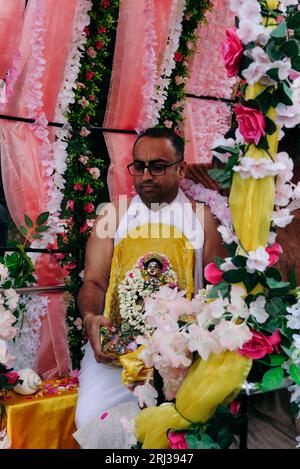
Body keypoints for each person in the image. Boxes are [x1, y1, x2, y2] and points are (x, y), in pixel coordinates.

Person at [75, 127, 225, 429]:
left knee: (177, 431)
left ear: (180, 168)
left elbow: (217, 290)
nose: (145, 176)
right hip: (116, 351)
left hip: (181, 356)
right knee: (90, 421)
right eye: (139, 166)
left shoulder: (203, 219)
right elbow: (93, 282)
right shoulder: (113, 216)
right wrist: (91, 318)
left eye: (158, 167)